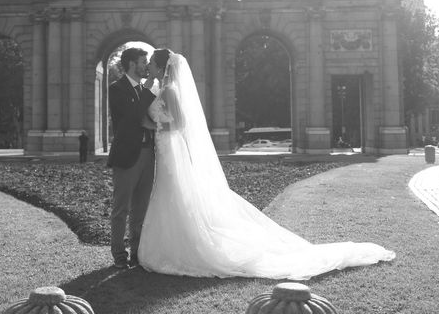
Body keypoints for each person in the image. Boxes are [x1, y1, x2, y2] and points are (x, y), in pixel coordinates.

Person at [138, 49, 395, 280]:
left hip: (170, 149)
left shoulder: (170, 91)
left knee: (173, 193)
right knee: (171, 195)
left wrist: (153, 125)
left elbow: (180, 123)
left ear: (162, 67)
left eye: (151, 63)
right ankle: (174, 243)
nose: (148, 66)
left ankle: (178, 246)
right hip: (166, 150)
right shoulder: (162, 88)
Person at [107, 47, 156, 269]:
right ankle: (119, 254)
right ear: (130, 64)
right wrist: (150, 83)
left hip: (148, 154)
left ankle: (137, 254)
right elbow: (135, 115)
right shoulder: (117, 88)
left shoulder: (146, 89)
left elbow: (145, 117)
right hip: (127, 155)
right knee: (121, 208)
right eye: (143, 61)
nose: (146, 66)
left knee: (141, 209)